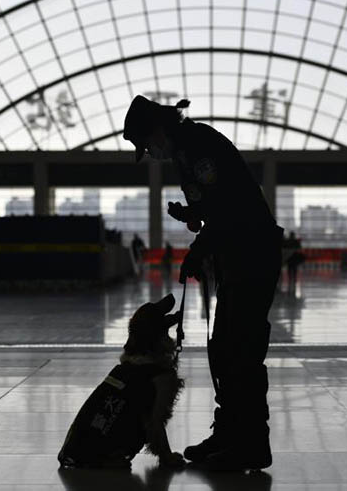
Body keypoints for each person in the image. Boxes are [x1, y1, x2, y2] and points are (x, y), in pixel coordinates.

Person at [123, 95, 283, 471]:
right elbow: (216, 204)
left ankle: (251, 443)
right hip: (236, 256)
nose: (152, 152)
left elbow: (228, 207)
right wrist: (193, 214)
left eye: (148, 144)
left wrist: (198, 245)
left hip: (252, 253)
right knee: (225, 350)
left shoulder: (197, 145)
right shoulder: (184, 152)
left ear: (158, 129)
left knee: (240, 351)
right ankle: (229, 433)